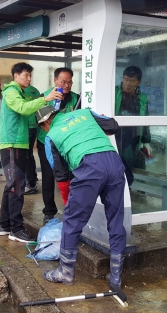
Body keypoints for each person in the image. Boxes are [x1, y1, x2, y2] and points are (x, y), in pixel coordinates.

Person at [36, 105, 127, 290]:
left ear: (46, 122)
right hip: (114, 162)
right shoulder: (85, 113)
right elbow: (112, 125)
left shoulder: (51, 136)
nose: (45, 130)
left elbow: (60, 174)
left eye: (43, 127)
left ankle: (66, 272)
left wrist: (68, 203)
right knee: (116, 220)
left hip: (89, 167)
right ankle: (116, 278)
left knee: (72, 221)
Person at [0, 62, 62, 243]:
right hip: (12, 145)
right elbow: (22, 108)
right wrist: (45, 99)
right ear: (16, 75)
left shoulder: (20, 92)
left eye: (30, 76)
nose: (29, 79)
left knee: (11, 185)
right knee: (17, 186)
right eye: (25, 75)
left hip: (18, 144)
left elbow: (28, 112)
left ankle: (4, 225)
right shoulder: (11, 92)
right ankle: (16, 229)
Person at [36, 67, 80, 224]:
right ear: (55, 80)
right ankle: (49, 212)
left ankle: (72, 209)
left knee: (70, 176)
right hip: (47, 141)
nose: (67, 85)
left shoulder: (77, 99)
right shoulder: (44, 97)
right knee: (48, 177)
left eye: (70, 82)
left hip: (67, 144)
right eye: (63, 82)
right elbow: (38, 120)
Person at [115, 66, 152, 186]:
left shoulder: (142, 99)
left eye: (132, 81)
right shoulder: (114, 92)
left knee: (127, 169)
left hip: (132, 139)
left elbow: (145, 120)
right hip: (114, 137)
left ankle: (126, 193)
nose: (128, 84)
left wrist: (146, 141)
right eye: (126, 79)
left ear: (138, 82)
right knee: (114, 167)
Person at [23, 83, 41, 195]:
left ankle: (30, 184)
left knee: (25, 156)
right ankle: (33, 178)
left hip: (26, 127)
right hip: (35, 126)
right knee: (29, 155)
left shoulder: (21, 92)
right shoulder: (35, 91)